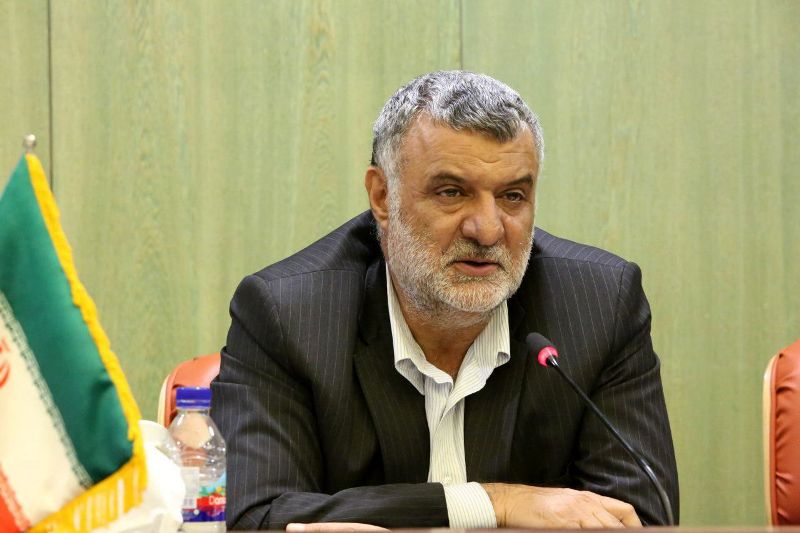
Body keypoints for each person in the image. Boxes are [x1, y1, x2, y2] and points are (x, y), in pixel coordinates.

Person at [211, 71, 679, 530]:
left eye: (513, 196)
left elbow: (639, 516)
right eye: (452, 192)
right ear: (382, 196)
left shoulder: (600, 304)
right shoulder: (289, 313)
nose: (488, 230)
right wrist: (494, 502)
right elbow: (255, 515)